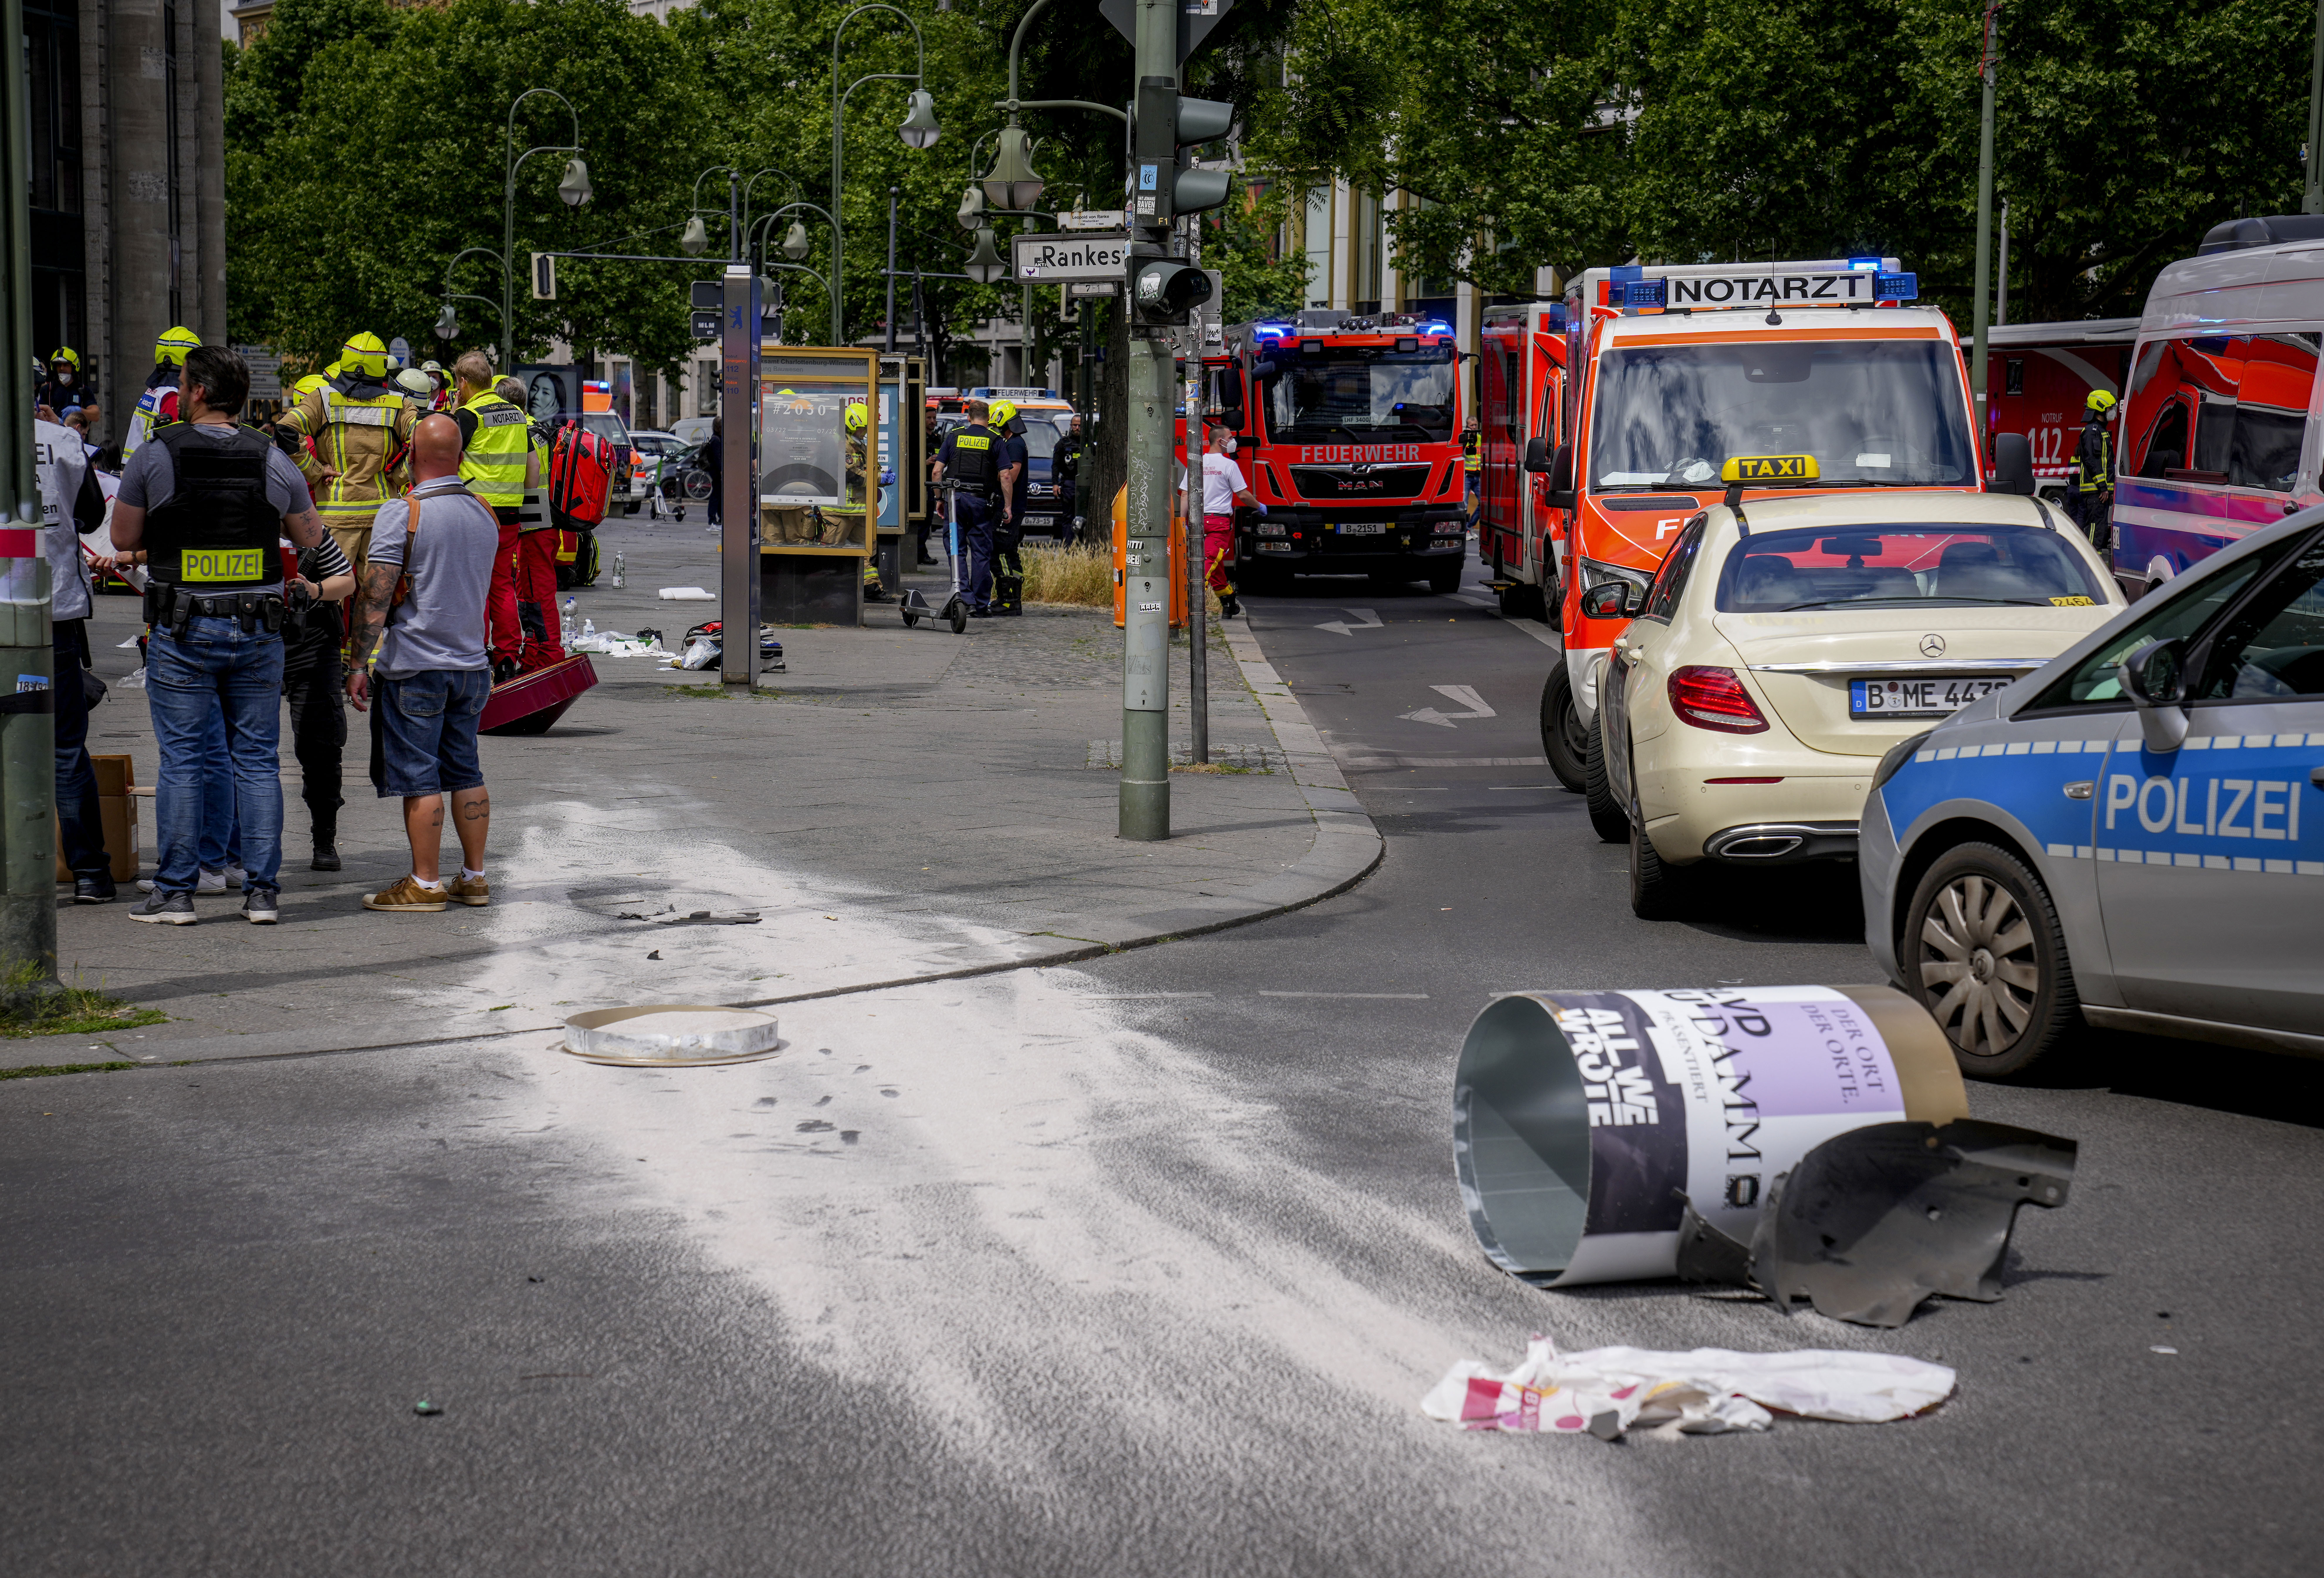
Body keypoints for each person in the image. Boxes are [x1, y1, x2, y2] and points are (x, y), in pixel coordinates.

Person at [109, 345, 327, 925]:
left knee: (182, 759)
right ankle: (261, 894)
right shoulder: (272, 459)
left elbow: (123, 533)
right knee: (257, 759)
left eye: (183, 382)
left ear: (199, 392)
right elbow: (308, 533)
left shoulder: (158, 454)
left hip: (183, 627)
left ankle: (177, 894)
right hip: (258, 625)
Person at [345, 415, 499, 913]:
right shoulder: (484, 512)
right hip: (471, 666)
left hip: (416, 666)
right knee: (466, 770)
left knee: (421, 777)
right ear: (458, 455)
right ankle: (474, 879)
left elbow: (378, 593)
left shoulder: (403, 512)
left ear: (413, 454)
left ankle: (425, 884)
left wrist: (356, 662)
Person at [35, 408, 116, 900]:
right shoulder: (63, 442)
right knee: (65, 749)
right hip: (53, 611)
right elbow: (90, 515)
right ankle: (89, 874)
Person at [277, 332, 416, 578]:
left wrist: (316, 471)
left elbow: (286, 432)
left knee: (330, 598)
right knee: (377, 597)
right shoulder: (400, 404)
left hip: (335, 519)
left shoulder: (322, 399)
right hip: (383, 517)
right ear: (382, 366)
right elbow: (425, 440)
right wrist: (400, 475)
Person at [449, 351, 530, 681]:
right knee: (502, 585)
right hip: (510, 512)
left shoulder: (469, 415)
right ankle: (507, 657)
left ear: (463, 383)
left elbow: (447, 456)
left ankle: (476, 652)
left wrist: (453, 413)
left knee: (474, 585)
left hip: (477, 512)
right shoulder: (516, 413)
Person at [281, 527, 359, 870]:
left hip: (311, 638)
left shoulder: (303, 527)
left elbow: (347, 581)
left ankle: (325, 840)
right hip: (252, 639)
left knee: (321, 743)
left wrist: (315, 589)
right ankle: (234, 850)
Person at [500, 375, 561, 671]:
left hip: (534, 525)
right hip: (546, 523)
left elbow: (529, 478)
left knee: (536, 594)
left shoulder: (518, 432)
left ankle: (547, 654)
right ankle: (537, 652)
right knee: (534, 592)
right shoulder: (540, 428)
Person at [931, 398, 1003, 617]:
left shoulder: (954, 436)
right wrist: (1008, 505)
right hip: (982, 503)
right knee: (982, 554)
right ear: (989, 418)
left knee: (956, 551)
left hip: (956, 502)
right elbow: (1006, 475)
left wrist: (939, 500)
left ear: (969, 417)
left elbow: (936, 472)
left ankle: (963, 599)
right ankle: (981, 605)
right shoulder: (995, 440)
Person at [1203, 420, 1260, 619]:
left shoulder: (1197, 463)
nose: (1234, 441)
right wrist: (1259, 506)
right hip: (1219, 523)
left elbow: (1185, 495)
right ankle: (1188, 601)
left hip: (1198, 521)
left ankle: (1228, 602)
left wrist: (1183, 522)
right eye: (1230, 438)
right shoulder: (1229, 465)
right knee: (1207, 562)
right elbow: (1243, 495)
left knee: (1214, 564)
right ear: (1221, 441)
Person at [123, 326, 205, 459]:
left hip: (139, 465)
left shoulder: (155, 391)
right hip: (153, 469)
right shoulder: (173, 397)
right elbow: (177, 442)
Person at [987, 399, 1030, 616]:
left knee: (1000, 553)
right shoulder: (1014, 442)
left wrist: (989, 472)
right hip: (1011, 507)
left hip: (1009, 509)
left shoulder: (1014, 445)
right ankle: (1012, 601)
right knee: (1010, 554)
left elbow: (1010, 476)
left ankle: (1008, 601)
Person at [2067, 389, 2117, 548]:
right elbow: (2092, 462)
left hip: (2100, 493)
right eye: (2110, 409)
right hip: (2096, 492)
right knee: (2096, 531)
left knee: (2100, 531)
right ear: (2101, 408)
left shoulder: (2101, 432)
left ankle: (2096, 565)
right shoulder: (2092, 432)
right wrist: (2103, 488)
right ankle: (2091, 566)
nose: (2112, 412)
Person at [35, 347, 99, 430]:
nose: (62, 368)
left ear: (74, 368)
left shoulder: (83, 390)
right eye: (59, 365)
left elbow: (96, 415)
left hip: (77, 437)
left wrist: (80, 411)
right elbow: (39, 413)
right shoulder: (48, 390)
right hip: (54, 435)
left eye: (66, 365)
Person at [1053, 413, 1084, 542]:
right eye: (1075, 425)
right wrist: (1055, 484)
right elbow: (1055, 466)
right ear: (1071, 426)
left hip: (1084, 485)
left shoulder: (1088, 445)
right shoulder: (1063, 444)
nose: (1077, 428)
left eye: (1079, 426)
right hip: (1069, 483)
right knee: (1068, 517)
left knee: (1083, 516)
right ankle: (1068, 547)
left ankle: (1083, 545)